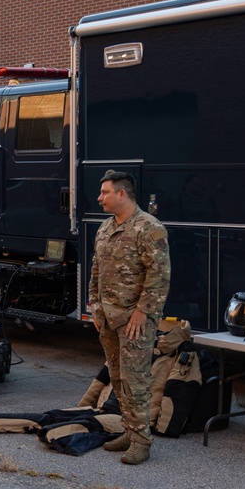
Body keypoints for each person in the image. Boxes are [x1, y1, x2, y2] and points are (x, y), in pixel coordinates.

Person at [88, 170, 170, 465]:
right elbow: (96, 268)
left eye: (105, 192)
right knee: (117, 377)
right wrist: (94, 304)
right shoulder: (106, 228)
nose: (100, 198)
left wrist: (142, 313)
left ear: (122, 194)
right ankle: (129, 430)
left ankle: (141, 442)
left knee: (135, 380)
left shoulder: (149, 228)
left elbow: (159, 277)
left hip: (134, 320)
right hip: (107, 317)